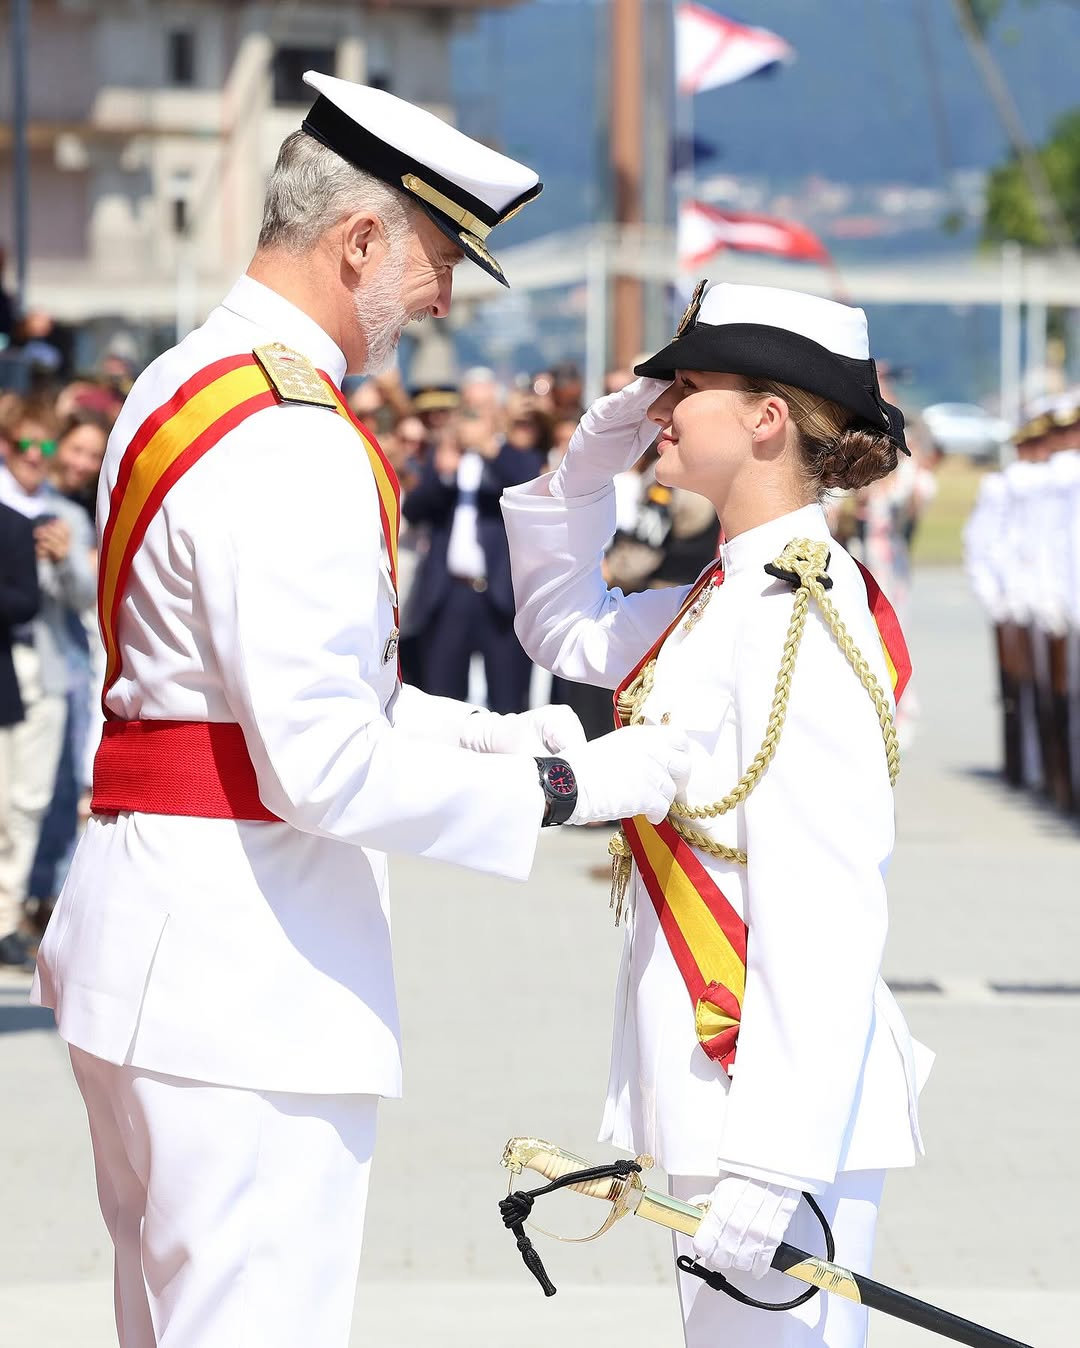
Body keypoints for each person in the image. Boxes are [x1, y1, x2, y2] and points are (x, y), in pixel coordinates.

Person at [30, 75, 689, 1348]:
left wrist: (518, 734)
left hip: (168, 938)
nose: (444, 296)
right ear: (361, 239)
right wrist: (561, 792)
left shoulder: (192, 375)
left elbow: (307, 697)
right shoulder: (293, 434)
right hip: (243, 974)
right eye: (442, 257)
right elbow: (323, 761)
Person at [502, 281, 934, 1348]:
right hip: (725, 1083)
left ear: (767, 419)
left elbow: (828, 901)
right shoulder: (723, 594)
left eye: (685, 387)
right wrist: (591, 455)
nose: (660, 408)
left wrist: (775, 1158)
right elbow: (561, 626)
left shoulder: (801, 611)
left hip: (777, 1105)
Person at [0, 397, 97, 962]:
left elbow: (85, 598)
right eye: (24, 446)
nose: (34, 457)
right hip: (5, 661)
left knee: (31, 798)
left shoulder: (66, 513)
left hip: (48, 665)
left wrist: (63, 561)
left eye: (45, 447)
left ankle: (8, 912)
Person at [405, 407, 544, 711]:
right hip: (450, 593)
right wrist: (443, 475)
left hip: (499, 597)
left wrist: (490, 451)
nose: (469, 424)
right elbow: (413, 510)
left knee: (507, 700)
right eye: (465, 413)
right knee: (441, 698)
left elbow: (529, 486)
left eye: (477, 414)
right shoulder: (445, 458)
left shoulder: (515, 456)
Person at [0, 499, 40, 965]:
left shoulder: (11, 524)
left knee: (9, 814)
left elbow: (25, 602)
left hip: (3, 694)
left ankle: (6, 922)